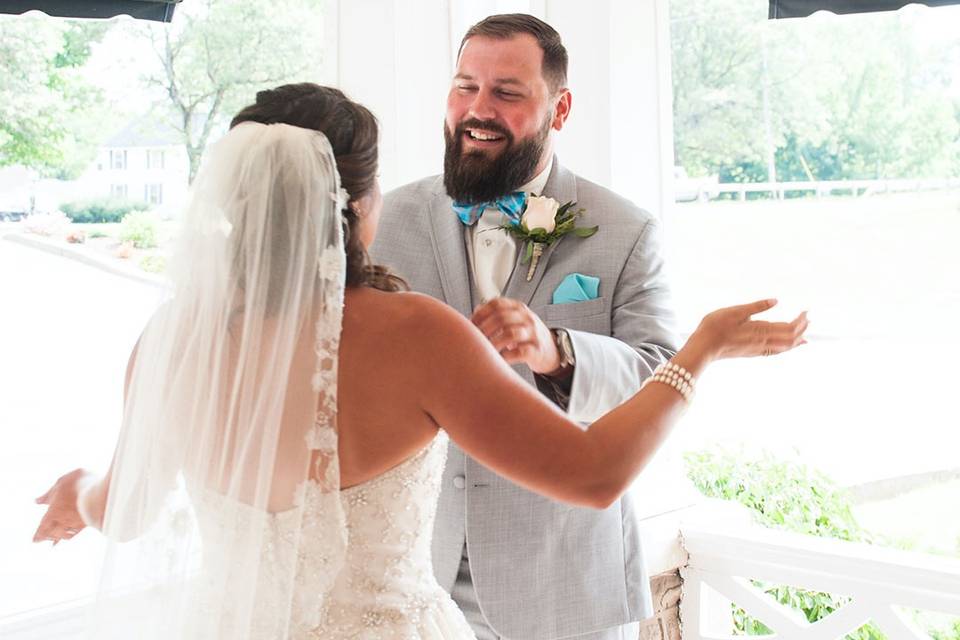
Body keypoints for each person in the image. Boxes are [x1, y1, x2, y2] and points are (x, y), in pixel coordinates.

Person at [34, 83, 807, 640]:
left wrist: (80, 491)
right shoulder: (414, 336)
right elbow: (593, 474)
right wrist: (697, 354)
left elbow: (125, 511)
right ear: (360, 205)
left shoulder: (172, 339)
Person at [372, 13, 676, 640]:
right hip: (411, 578)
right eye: (465, 86)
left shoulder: (627, 230)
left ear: (559, 109)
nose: (478, 109)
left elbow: (661, 376)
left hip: (560, 584)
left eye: (507, 92)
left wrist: (558, 353)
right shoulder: (385, 222)